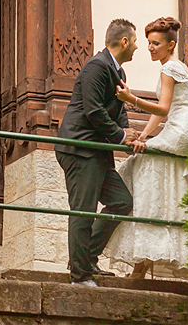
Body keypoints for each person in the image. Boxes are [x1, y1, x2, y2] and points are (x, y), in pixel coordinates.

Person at [105, 16, 188, 279]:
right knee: (147, 162)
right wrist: (144, 136)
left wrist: (131, 98)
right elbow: (160, 115)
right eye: (148, 43)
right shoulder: (175, 65)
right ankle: (143, 262)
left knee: (139, 164)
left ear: (171, 45)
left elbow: (162, 108)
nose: (150, 48)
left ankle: (142, 262)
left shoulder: (169, 68)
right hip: (183, 127)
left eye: (156, 43)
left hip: (183, 130)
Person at [55, 18, 140, 287]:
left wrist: (127, 135)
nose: (137, 47)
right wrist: (121, 136)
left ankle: (86, 257)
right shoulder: (96, 66)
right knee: (83, 210)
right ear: (124, 41)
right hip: (80, 148)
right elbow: (93, 111)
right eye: (135, 41)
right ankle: (80, 276)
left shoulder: (119, 74)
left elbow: (118, 111)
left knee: (121, 202)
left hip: (99, 152)